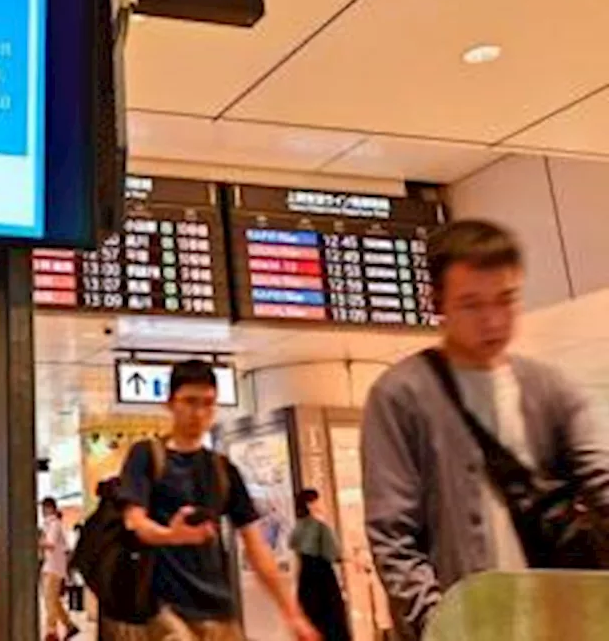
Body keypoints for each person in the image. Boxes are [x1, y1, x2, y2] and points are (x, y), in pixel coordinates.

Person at [362, 219, 609, 638]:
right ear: (437, 303)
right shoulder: (401, 395)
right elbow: (393, 534)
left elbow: (600, 480)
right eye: (472, 304)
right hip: (468, 625)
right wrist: (436, 626)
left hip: (559, 619)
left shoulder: (549, 388)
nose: (493, 321)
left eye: (506, 300)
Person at [119, 360, 318, 641]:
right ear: (170, 403)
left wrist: (292, 612)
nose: (199, 413)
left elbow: (256, 545)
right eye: (189, 401)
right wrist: (171, 535)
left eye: (208, 403)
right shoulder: (146, 456)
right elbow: (135, 521)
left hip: (219, 611)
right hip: (163, 610)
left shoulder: (223, 470)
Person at [289, 490, 350, 641]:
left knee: (312, 624)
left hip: (306, 582)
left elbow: (297, 555)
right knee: (332, 626)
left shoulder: (298, 528)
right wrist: (354, 559)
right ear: (310, 504)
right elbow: (334, 554)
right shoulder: (320, 527)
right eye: (318, 500)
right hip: (324, 582)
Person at [39, 497, 77, 641]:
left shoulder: (54, 524)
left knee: (50, 599)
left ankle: (51, 632)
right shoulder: (50, 524)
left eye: (44, 508)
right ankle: (69, 625)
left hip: (54, 567)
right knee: (53, 600)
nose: (43, 511)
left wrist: (36, 540)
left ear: (50, 508)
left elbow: (50, 544)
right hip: (51, 566)